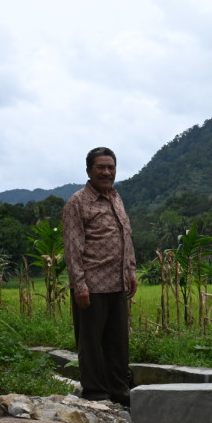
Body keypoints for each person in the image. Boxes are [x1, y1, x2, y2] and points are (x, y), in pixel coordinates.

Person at [62, 147, 138, 402]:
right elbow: (73, 247)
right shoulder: (78, 202)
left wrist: (131, 271)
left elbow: (125, 236)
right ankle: (96, 392)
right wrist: (79, 285)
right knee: (92, 343)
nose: (107, 172)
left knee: (117, 342)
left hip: (117, 283)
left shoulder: (116, 198)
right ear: (88, 171)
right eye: (101, 168)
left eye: (111, 168)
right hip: (91, 285)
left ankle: (118, 390)